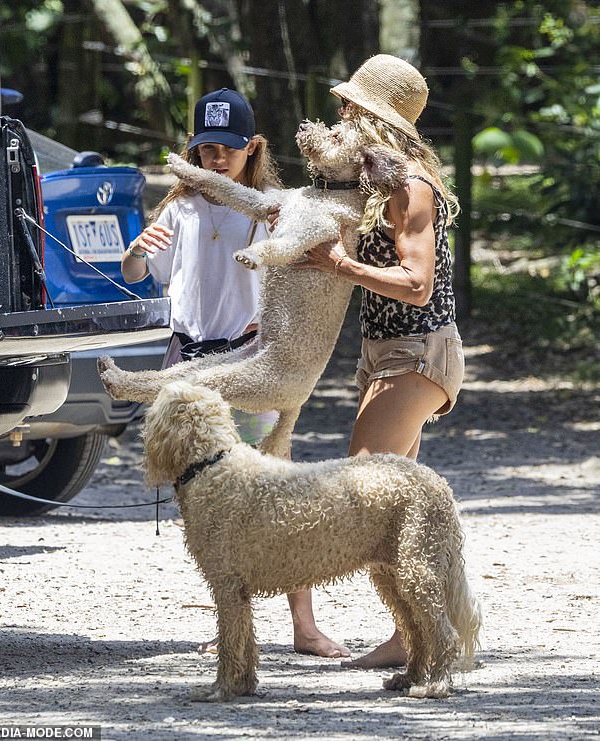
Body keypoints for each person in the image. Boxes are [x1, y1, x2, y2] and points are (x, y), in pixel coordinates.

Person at [121, 87, 349, 659]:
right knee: (205, 502)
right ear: (193, 151)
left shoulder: (276, 207)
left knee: (277, 484)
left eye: (227, 148)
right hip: (188, 358)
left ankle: (305, 624)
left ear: (252, 147)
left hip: (249, 361)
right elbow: (141, 275)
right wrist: (136, 251)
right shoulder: (178, 208)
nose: (215, 160)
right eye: (204, 149)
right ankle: (232, 625)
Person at [293, 54, 465, 669]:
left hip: (416, 351)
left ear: (374, 117)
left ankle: (429, 634)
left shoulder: (408, 186)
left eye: (350, 108)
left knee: (365, 492)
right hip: (393, 353)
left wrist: (339, 266)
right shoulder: (383, 180)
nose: (340, 116)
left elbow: (417, 283)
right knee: (391, 507)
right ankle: (412, 634)